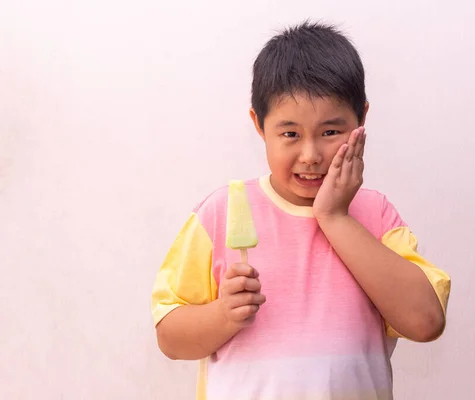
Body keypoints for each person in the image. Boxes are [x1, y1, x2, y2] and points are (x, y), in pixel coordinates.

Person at [150, 21, 451, 400]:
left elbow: (426, 322)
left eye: (330, 132)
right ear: (259, 125)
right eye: (290, 134)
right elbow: (169, 336)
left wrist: (336, 217)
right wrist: (222, 316)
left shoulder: (375, 215)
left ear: (362, 120)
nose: (310, 155)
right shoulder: (221, 213)